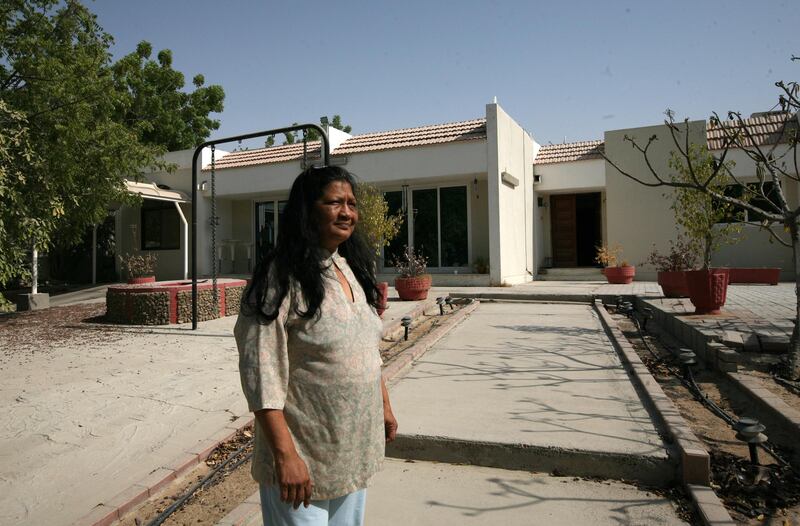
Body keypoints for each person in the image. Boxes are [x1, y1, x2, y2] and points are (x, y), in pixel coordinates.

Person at [234, 165, 398, 526]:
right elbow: (262, 373)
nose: (347, 212)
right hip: (302, 457)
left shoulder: (350, 267)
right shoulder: (278, 278)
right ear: (308, 210)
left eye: (352, 203)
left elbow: (364, 348)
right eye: (334, 202)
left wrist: (383, 404)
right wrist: (285, 456)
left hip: (352, 450)